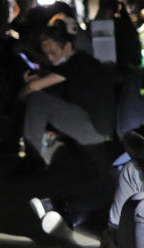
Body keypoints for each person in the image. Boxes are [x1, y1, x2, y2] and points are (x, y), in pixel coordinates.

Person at [18, 22, 115, 164]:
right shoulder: (79, 62)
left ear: (68, 46)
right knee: (41, 98)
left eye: (53, 53)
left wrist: (22, 95)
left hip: (95, 129)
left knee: (37, 99)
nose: (50, 58)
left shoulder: (76, 64)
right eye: (47, 54)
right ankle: (40, 149)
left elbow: (34, 86)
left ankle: (33, 158)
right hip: (97, 126)